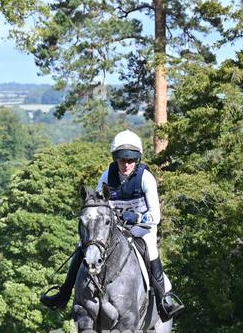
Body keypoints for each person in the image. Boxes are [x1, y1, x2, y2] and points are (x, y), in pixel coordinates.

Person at [40, 129, 183, 320]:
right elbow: (98, 205)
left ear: (137, 160)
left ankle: (163, 301)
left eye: (130, 160)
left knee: (151, 250)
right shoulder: (107, 177)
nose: (126, 165)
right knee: (82, 248)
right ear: (116, 159)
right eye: (123, 160)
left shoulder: (146, 178)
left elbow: (155, 217)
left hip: (142, 229)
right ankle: (64, 293)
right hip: (115, 228)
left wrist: (138, 218)